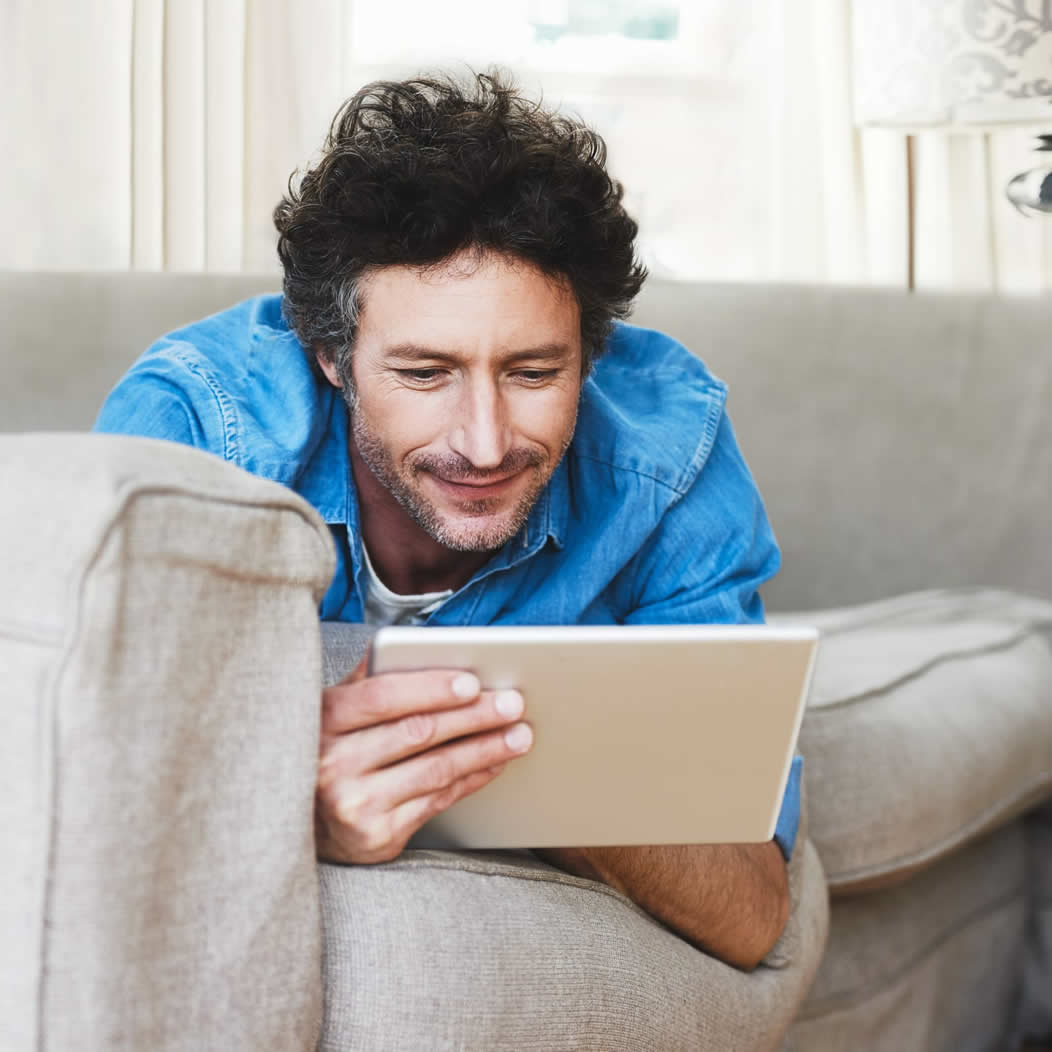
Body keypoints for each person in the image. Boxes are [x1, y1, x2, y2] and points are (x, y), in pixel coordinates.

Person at [95, 71, 800, 971]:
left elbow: (750, 910)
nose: (485, 442)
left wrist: (513, 755)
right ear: (332, 358)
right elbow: (92, 796)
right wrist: (288, 813)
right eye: (424, 374)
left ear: (591, 356)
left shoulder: (669, 455)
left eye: (535, 372)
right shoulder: (200, 435)